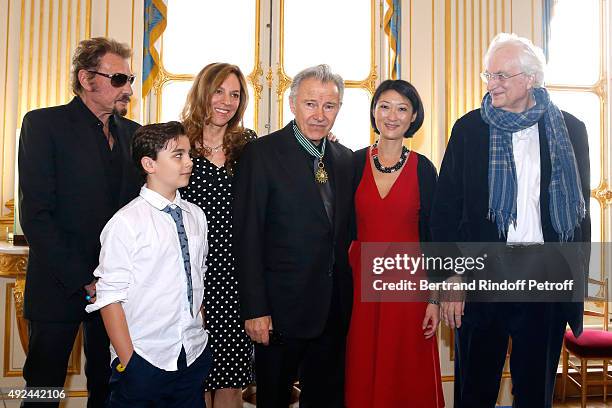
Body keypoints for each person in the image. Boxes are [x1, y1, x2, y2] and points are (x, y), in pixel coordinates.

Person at [430, 33, 590, 407]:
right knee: (475, 392)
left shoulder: (572, 130)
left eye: (502, 76)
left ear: (530, 79)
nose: (492, 84)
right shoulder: (469, 130)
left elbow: (579, 214)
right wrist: (450, 277)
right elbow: (445, 211)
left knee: (535, 394)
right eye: (488, 76)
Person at [18, 37, 141, 407]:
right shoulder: (43, 125)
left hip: (116, 290)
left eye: (130, 79)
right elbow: (36, 215)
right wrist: (84, 279)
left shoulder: (134, 134)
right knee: (43, 392)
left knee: (108, 391)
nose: (129, 89)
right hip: (59, 286)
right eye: (119, 79)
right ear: (87, 79)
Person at [233, 64, 354, 408]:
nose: (319, 115)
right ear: (292, 104)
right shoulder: (261, 154)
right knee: (273, 399)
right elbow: (248, 236)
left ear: (338, 109)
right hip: (278, 313)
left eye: (329, 106)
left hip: (333, 311)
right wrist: (255, 308)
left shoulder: (345, 159)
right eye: (310, 104)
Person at [85, 121, 213, 407]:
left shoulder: (195, 216)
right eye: (178, 155)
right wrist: (130, 361)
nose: (189, 162)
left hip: (192, 353)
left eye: (189, 154)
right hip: (145, 358)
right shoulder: (126, 223)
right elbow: (109, 298)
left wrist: (198, 327)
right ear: (149, 164)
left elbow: (196, 275)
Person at [345, 79, 444, 407]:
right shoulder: (350, 164)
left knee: (407, 376)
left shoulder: (424, 170)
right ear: (373, 111)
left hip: (409, 292)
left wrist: (435, 298)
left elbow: (435, 238)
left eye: (402, 108)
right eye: (385, 106)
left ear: (413, 116)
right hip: (361, 292)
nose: (392, 115)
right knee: (364, 371)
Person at [180, 62, 256, 408]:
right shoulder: (177, 142)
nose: (227, 101)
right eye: (219, 91)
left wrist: (323, 143)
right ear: (203, 92)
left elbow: (285, 167)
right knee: (192, 380)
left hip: (236, 278)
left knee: (231, 379)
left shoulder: (248, 145)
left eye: (235, 94)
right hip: (189, 276)